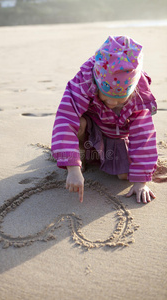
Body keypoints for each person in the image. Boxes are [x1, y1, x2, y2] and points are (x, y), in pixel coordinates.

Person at [51, 35, 158, 204]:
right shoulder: (83, 83)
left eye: (120, 99)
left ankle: (101, 156)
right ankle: (80, 152)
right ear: (97, 82)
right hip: (91, 129)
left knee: (125, 175)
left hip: (117, 135)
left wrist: (141, 182)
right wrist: (72, 168)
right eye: (106, 96)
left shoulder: (138, 97)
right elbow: (65, 121)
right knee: (78, 123)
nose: (111, 103)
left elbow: (143, 137)